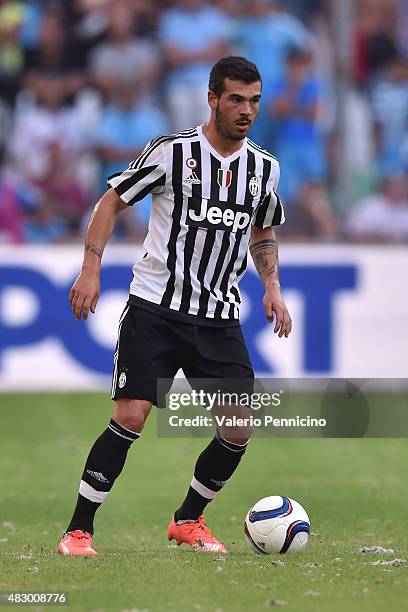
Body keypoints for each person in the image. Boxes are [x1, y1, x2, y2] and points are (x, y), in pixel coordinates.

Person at [58, 56, 291, 556]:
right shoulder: (172, 153)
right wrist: (91, 267)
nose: (246, 110)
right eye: (235, 100)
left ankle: (188, 519)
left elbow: (263, 229)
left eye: (253, 100)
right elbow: (112, 202)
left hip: (219, 317)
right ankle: (78, 531)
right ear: (213, 99)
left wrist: (272, 286)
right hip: (155, 311)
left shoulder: (263, 168)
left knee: (238, 425)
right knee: (132, 415)